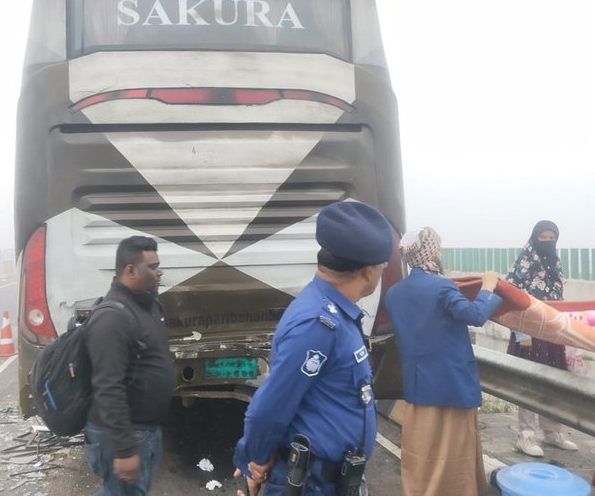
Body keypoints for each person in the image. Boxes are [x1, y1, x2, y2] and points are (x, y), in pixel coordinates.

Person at [232, 200, 394, 496]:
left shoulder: (333, 312)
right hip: (313, 483)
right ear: (369, 271)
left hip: (332, 479)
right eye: (383, 265)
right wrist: (255, 458)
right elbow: (268, 408)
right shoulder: (318, 325)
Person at [385, 227, 502, 496]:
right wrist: (488, 287)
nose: (439, 253)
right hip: (450, 384)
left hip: (418, 386)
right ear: (429, 251)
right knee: (455, 452)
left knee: (421, 450)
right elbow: (475, 315)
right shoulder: (442, 287)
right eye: (437, 248)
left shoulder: (394, 293)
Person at [84, 236, 174, 495]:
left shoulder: (147, 305)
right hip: (122, 435)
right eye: (152, 266)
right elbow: (107, 387)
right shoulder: (112, 318)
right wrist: (124, 450)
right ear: (130, 270)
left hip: (144, 430)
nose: (159, 271)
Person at [506, 220, 579, 457]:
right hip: (529, 332)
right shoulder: (523, 265)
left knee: (552, 382)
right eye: (543, 238)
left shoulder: (555, 264)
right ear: (534, 238)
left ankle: (551, 432)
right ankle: (525, 436)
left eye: (552, 238)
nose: (548, 242)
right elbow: (511, 298)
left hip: (552, 333)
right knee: (529, 385)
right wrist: (522, 332)